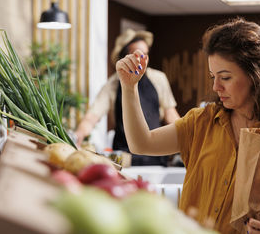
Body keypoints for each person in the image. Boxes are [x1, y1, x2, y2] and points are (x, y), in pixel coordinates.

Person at [116, 17, 260, 233]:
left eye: (225, 77)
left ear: (256, 76)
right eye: (213, 76)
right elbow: (141, 143)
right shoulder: (200, 122)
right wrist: (129, 87)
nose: (216, 86)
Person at [74, 29, 180, 166]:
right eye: (136, 54)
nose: (142, 59)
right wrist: (76, 137)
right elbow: (91, 118)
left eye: (145, 54)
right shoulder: (112, 85)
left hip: (156, 157)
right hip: (125, 159)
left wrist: (189, 139)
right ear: (124, 56)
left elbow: (171, 115)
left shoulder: (159, 79)